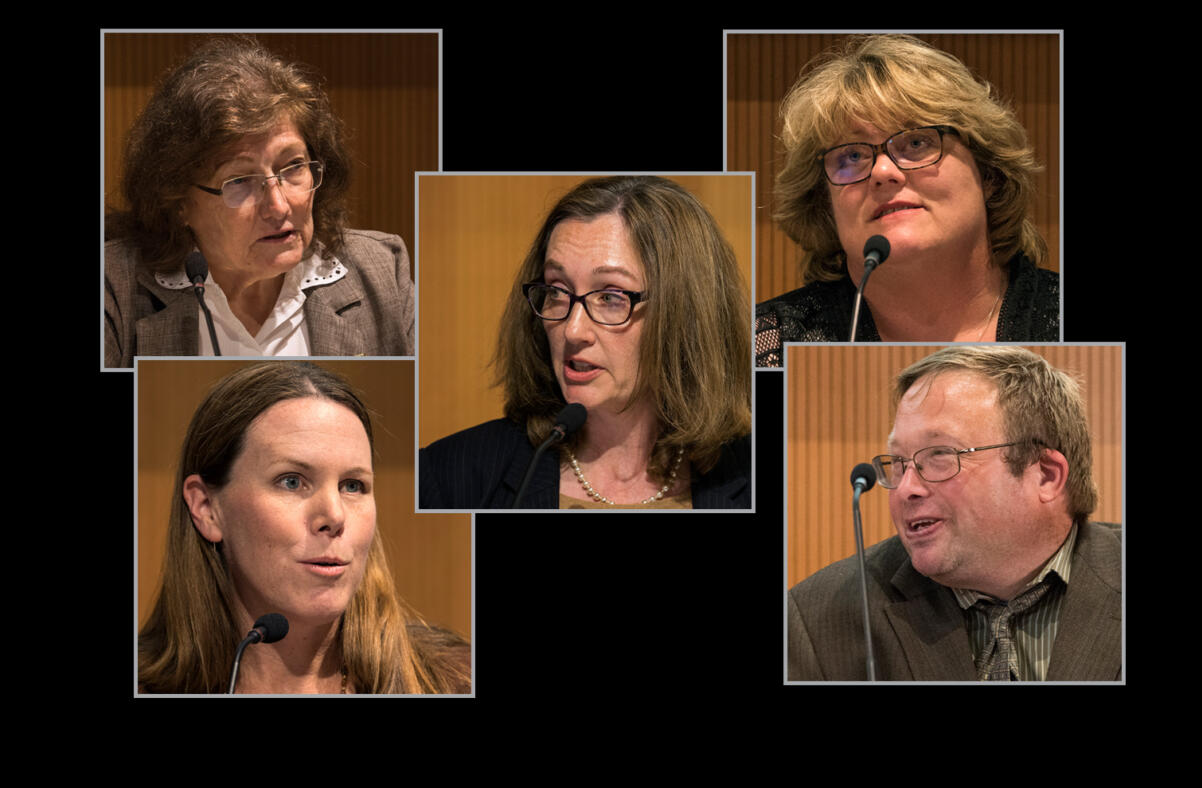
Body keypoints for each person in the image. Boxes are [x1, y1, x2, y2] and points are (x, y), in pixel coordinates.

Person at [788, 346, 1120, 681]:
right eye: (900, 463)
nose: (906, 489)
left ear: (1046, 475)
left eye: (940, 455)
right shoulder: (817, 618)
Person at [419, 175, 752, 509]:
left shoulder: (759, 479)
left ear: (684, 314)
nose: (572, 331)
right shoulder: (449, 475)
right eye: (557, 291)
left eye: (610, 296)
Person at [138, 361, 469, 694]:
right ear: (207, 509)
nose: (335, 515)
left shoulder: (455, 679)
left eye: (352, 485)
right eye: (292, 482)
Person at [105, 36, 415, 368]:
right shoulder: (115, 289)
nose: (280, 206)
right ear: (178, 201)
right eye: (239, 181)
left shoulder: (380, 271)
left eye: (294, 166)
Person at [755, 35, 1058, 366]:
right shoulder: (763, 346)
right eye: (852, 155)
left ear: (989, 174)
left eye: (916, 143)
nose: (882, 171)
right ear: (825, 204)